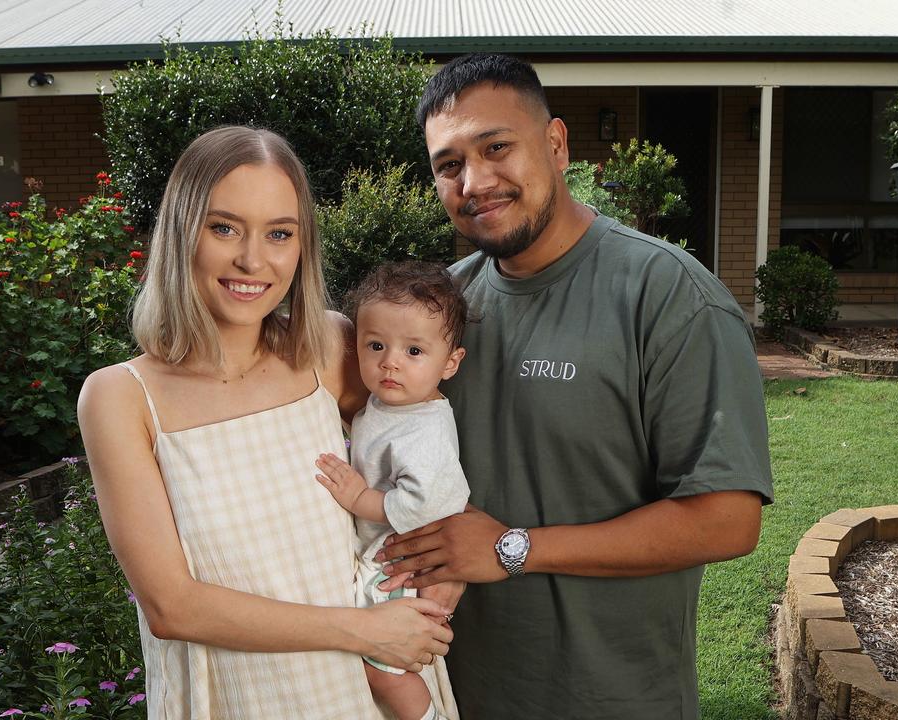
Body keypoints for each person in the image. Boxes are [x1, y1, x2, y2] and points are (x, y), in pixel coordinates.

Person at [375, 54, 776, 719]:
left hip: (609, 696)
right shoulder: (445, 306)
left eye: (497, 147)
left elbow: (728, 520)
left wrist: (511, 548)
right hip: (455, 693)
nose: (475, 181)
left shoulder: (667, 296)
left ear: (556, 145)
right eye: (449, 165)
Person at [77, 126, 457, 719]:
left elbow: (428, 453)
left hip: (367, 692)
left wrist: (448, 564)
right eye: (223, 228)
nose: (253, 260)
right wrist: (362, 632)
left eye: (279, 234)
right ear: (181, 232)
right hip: (238, 697)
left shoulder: (329, 349)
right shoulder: (121, 398)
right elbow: (172, 607)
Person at [313, 262, 470, 720]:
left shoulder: (425, 433)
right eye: (376, 345)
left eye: (414, 350)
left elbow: (428, 503)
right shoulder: (393, 403)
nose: (390, 362)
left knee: (383, 668)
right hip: (389, 549)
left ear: (451, 362)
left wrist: (360, 498)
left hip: (403, 558)